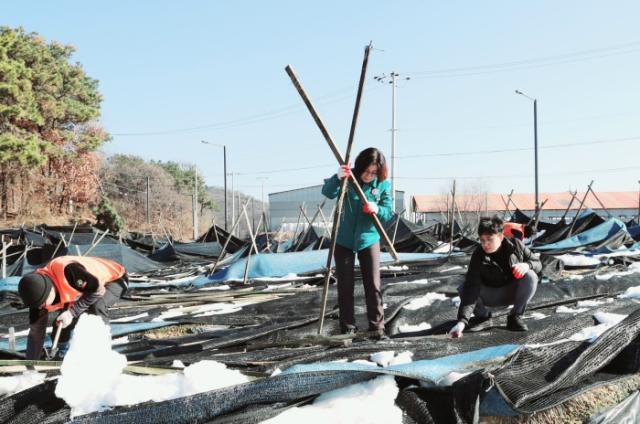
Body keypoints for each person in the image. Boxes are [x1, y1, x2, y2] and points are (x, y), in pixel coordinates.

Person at [322, 147, 393, 340]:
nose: (369, 176)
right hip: (343, 239)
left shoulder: (383, 185)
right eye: (366, 171)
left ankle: (376, 328)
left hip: (368, 239)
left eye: (373, 173)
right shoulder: (348, 179)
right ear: (360, 166)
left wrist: (377, 208)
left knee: (373, 284)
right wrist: (337, 177)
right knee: (345, 285)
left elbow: (388, 212)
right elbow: (327, 192)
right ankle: (348, 328)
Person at [17, 256, 128, 360]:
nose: (41, 307)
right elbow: (36, 333)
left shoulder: (70, 272)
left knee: (96, 306)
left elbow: (98, 291)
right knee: (61, 322)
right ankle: (61, 353)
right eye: (38, 305)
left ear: (50, 291)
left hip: (115, 278)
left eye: (43, 303)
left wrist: (72, 312)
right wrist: (31, 362)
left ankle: (102, 351)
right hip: (82, 288)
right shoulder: (36, 298)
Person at [449, 216, 541, 338]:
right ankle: (483, 317)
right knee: (464, 288)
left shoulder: (516, 245)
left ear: (501, 237)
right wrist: (462, 322)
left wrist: (526, 265)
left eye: (489, 239)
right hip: (491, 295)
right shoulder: (478, 255)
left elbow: (538, 264)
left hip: (512, 292)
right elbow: (472, 287)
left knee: (530, 276)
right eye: (482, 240)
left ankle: (515, 317)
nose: (485, 244)